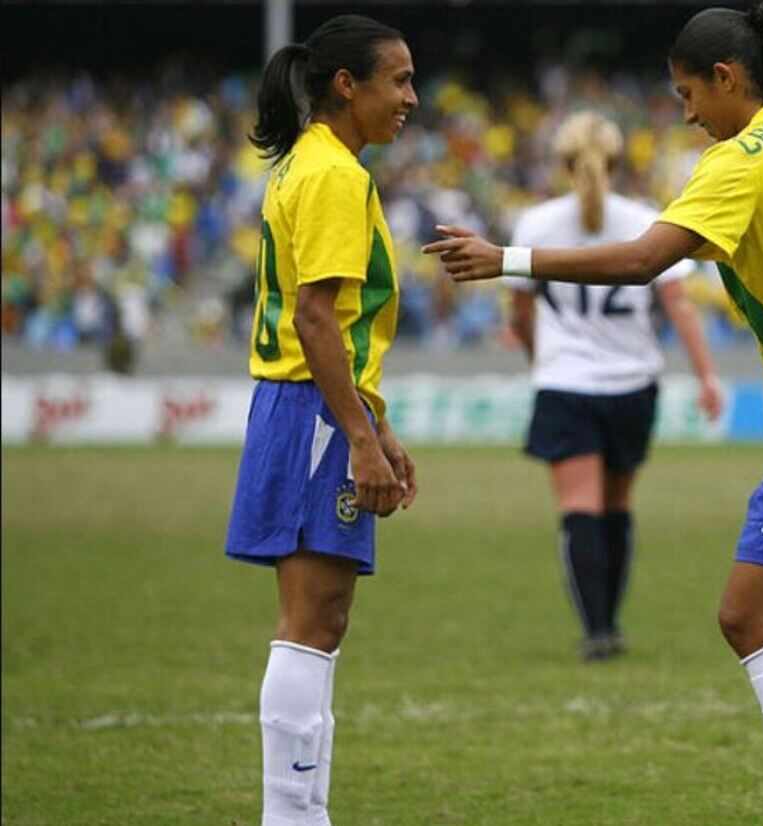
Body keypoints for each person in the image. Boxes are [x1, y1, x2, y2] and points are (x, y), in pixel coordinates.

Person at [424, 4, 763, 824]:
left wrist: (505, 259)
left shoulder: (739, 160)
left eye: (690, 93)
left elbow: (645, 259)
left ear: (728, 79)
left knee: (745, 617)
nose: (687, 113)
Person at [224, 15, 418, 826]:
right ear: (348, 84)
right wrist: (360, 438)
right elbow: (315, 321)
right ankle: (291, 816)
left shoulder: (308, 160)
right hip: (311, 410)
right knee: (313, 617)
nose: (411, 97)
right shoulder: (337, 175)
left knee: (321, 617)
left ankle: (303, 812)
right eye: (398, 80)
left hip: (307, 405)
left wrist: (376, 425)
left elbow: (323, 324)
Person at [504, 111, 723, 661]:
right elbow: (679, 308)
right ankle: (612, 623)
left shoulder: (536, 224)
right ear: (620, 161)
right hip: (632, 383)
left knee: (579, 509)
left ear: (561, 163)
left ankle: (596, 628)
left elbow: (521, 315)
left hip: (565, 383)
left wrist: (542, 361)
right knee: (618, 507)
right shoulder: (647, 220)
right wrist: (707, 376)